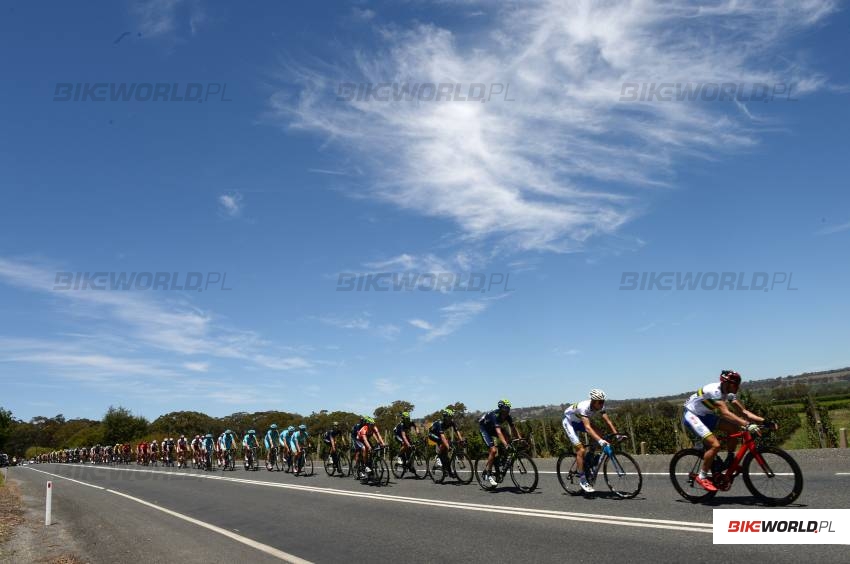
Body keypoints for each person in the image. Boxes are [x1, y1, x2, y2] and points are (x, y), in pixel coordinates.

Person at [683, 370, 776, 491]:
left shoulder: (729, 393)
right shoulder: (714, 391)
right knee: (715, 445)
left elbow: (743, 412)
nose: (737, 387)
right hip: (692, 415)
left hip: (705, 415)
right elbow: (726, 413)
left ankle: (730, 458)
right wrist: (748, 425)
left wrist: (764, 422)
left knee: (733, 428)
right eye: (735, 384)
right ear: (726, 383)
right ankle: (702, 476)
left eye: (738, 384)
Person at [562, 389, 620, 493]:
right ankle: (583, 480)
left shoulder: (600, 405)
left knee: (600, 433)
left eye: (603, 401)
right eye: (600, 402)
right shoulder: (584, 407)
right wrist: (601, 441)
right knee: (581, 450)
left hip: (579, 422)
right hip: (569, 422)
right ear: (593, 401)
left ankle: (590, 456)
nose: (602, 404)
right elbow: (588, 428)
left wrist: (617, 434)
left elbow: (607, 421)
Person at [478, 399, 523, 487]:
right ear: (501, 409)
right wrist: (505, 444)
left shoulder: (507, 416)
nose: (507, 411)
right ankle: (489, 473)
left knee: (508, 437)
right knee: (493, 450)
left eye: (508, 409)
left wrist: (520, 439)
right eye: (506, 409)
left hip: (493, 429)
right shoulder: (494, 415)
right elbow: (498, 432)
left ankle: (502, 458)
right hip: (485, 429)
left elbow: (513, 428)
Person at [428, 408, 463, 477]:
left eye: (451, 417)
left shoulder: (451, 422)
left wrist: (461, 440)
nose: (451, 419)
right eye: (449, 417)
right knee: (444, 443)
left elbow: (457, 431)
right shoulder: (440, 423)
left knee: (446, 457)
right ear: (445, 417)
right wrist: (448, 447)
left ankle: (449, 472)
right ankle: (438, 457)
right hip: (432, 434)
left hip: (439, 434)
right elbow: (442, 437)